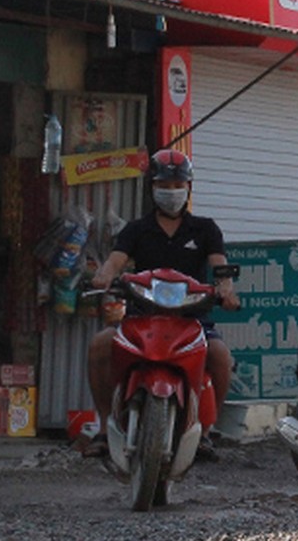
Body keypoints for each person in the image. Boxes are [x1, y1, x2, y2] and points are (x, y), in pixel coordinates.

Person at [82, 149, 240, 457]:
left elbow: (220, 268)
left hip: (193, 318)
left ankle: (206, 431)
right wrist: (103, 276)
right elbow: (115, 261)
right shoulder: (136, 230)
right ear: (152, 189)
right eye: (164, 187)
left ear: (188, 188)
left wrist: (226, 291)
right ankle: (104, 428)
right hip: (142, 316)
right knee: (100, 345)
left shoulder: (206, 229)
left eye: (177, 186)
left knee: (220, 355)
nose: (171, 193)